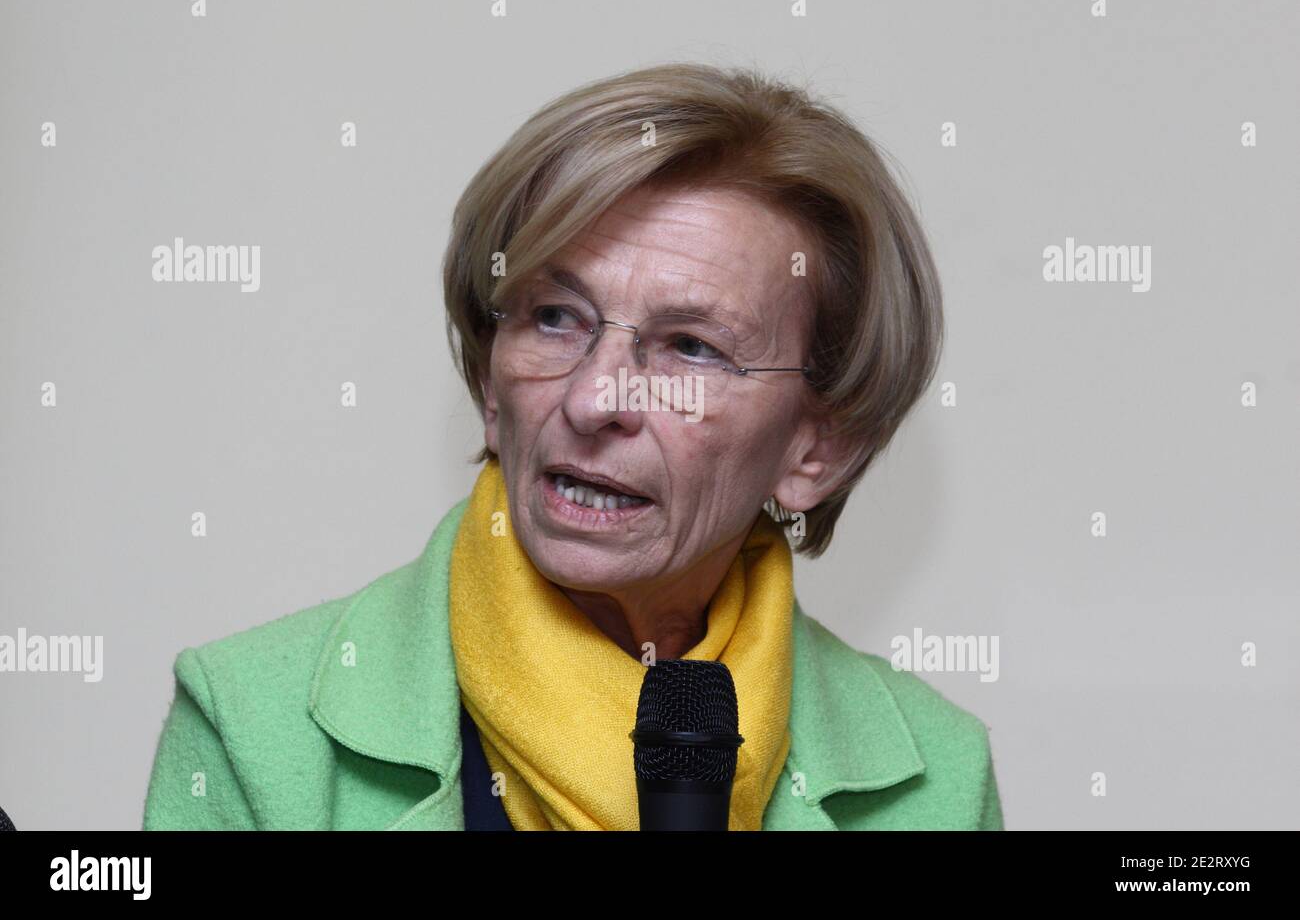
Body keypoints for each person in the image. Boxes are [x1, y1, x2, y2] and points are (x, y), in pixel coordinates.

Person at [143, 62, 1003, 830]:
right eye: (555, 319)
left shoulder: (938, 782)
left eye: (691, 348)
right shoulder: (253, 723)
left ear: (816, 448)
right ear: (489, 380)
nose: (595, 398)